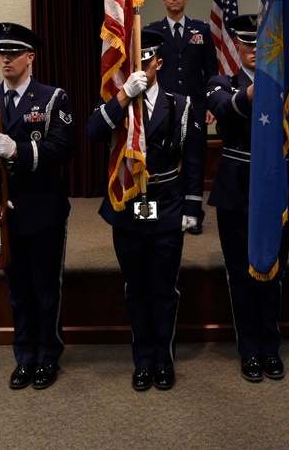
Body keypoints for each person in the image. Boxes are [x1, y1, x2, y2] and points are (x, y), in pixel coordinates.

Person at [86, 29, 205, 392]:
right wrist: (124, 97)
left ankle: (164, 359)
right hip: (128, 205)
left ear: (158, 62)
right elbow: (92, 131)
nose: (139, 67)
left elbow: (194, 157)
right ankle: (143, 360)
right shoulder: (116, 101)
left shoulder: (180, 103)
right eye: (132, 61)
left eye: (146, 59)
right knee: (136, 287)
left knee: (163, 287)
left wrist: (192, 206)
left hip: (166, 204)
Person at [0, 22, 74, 391]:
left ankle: (48, 355)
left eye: (14, 53)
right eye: (2, 53)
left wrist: (18, 150)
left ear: (31, 56)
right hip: (4, 211)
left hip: (43, 209)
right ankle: (24, 356)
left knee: (45, 287)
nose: (7, 58)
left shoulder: (51, 97)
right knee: (18, 289)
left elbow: (62, 149)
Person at [206, 14, 289, 382]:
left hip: (276, 191)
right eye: (248, 44)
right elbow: (224, 109)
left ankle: (271, 346)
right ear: (236, 46)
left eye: (260, 44)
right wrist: (264, 86)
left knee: (273, 271)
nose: (254, 50)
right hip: (237, 190)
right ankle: (249, 348)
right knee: (240, 274)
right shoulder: (221, 82)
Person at [144, 0, 217, 234]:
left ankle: (193, 213)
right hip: (164, 110)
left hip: (196, 106)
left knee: (195, 159)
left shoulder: (202, 31)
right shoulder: (152, 32)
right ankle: (162, 210)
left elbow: (211, 71)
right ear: (163, 1)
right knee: (162, 160)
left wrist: (211, 104)